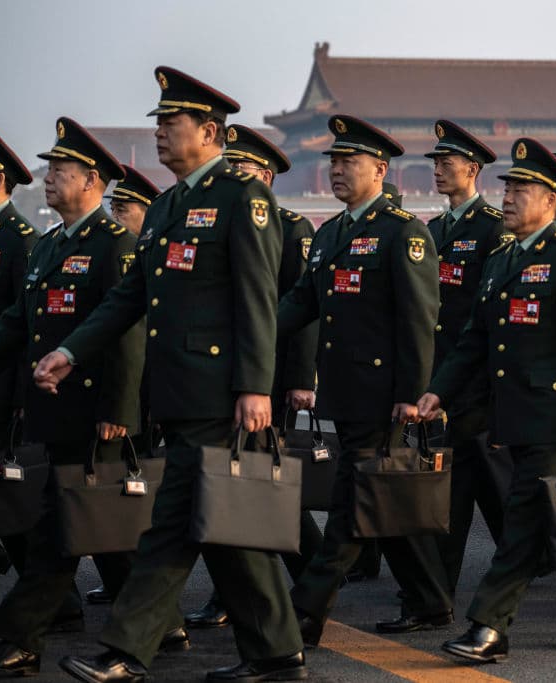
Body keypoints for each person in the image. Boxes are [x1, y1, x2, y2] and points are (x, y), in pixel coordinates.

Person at [37, 67, 307, 682]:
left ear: (209, 131)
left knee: (172, 528)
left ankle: (126, 652)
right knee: (225, 527)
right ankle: (277, 653)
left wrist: (254, 388)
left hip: (219, 392)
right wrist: (72, 351)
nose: (159, 133)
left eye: (170, 123)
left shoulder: (244, 198)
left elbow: (257, 299)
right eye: (158, 122)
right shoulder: (166, 207)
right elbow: (129, 297)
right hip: (179, 390)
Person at [417, 137, 556, 662]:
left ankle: (489, 626)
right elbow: (474, 338)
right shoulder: (500, 259)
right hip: (511, 411)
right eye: (509, 187)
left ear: (553, 201)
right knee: (555, 515)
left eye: (523, 189)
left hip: (554, 415)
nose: (510, 197)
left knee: (523, 524)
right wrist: (437, 389)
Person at [276, 115, 452, 644]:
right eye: (332, 161)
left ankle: (303, 611)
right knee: (381, 496)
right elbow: (301, 303)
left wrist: (409, 394)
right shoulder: (331, 233)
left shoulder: (404, 232)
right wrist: (253, 332)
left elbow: (419, 320)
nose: (335, 170)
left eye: (347, 162)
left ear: (379, 169)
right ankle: (430, 601)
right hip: (345, 390)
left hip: (382, 396)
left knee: (352, 504)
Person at [0, 118, 146, 677]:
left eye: (62, 171)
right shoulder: (49, 244)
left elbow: (126, 334)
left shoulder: (115, 244)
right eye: (50, 169)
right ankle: (155, 620)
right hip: (48, 407)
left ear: (94, 182)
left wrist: (118, 410)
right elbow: (17, 323)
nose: (50, 178)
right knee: (100, 528)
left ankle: (19, 635)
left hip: (91, 409)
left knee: (62, 529)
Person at [179, 123, 323, 630]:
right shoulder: (221, 216)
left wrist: (298, 379)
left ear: (264, 174)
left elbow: (301, 310)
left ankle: (311, 573)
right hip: (235, 374)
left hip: (271, 376)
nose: (232, 173)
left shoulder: (291, 227)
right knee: (250, 481)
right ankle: (310, 572)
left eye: (241, 167)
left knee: (253, 482)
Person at [421, 119, 510, 601]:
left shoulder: (493, 229)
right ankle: (436, 591)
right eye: (434, 163)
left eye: (446, 163)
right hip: (442, 376)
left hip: (477, 380)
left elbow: (490, 312)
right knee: (451, 491)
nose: (438, 170)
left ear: (471, 169)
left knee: (496, 492)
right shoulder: (434, 230)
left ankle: (528, 561)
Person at [82, 164, 163, 607]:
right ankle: (127, 588)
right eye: (114, 206)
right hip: (129, 389)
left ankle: (147, 602)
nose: (117, 214)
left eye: (125, 207)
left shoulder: (128, 250)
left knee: (130, 493)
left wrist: (123, 406)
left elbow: (132, 337)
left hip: (143, 390)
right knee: (117, 496)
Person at [0, 128, 39, 603]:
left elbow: (29, 326)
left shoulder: (20, 238)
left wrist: (25, 397)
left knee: (10, 492)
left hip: (4, 387)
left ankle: (52, 596)